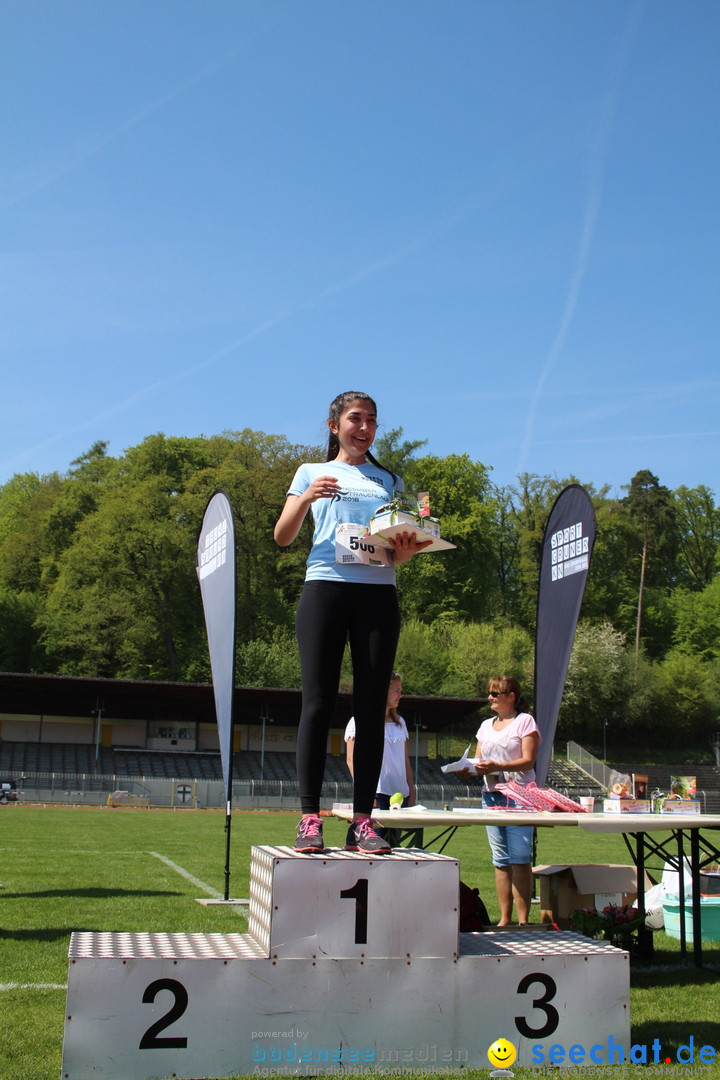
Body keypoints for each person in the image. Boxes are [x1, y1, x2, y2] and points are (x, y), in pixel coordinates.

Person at [274, 391, 430, 855]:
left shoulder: (390, 479)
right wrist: (305, 498)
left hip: (378, 594)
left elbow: (397, 550)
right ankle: (309, 818)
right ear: (333, 424)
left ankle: (364, 820)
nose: (364, 428)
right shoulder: (310, 473)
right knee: (317, 703)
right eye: (355, 419)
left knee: (371, 709)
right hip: (325, 587)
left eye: (372, 421)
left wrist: (410, 544)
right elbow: (283, 537)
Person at [467, 676, 540, 925]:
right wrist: (467, 768)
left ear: (510, 696)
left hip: (519, 797)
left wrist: (499, 765)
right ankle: (504, 920)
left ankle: (522, 921)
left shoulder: (525, 722)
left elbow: (529, 760)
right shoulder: (486, 726)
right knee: (500, 860)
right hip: (491, 796)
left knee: (520, 859)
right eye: (489, 693)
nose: (490, 698)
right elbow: (478, 760)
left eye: (495, 694)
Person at [344, 671, 416, 819]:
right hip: (376, 794)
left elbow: (405, 761)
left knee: (396, 841)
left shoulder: (400, 723)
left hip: (401, 795)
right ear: (385, 690)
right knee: (375, 839)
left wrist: (412, 791)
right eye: (397, 691)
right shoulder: (359, 721)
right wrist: (365, 794)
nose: (400, 696)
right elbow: (351, 760)